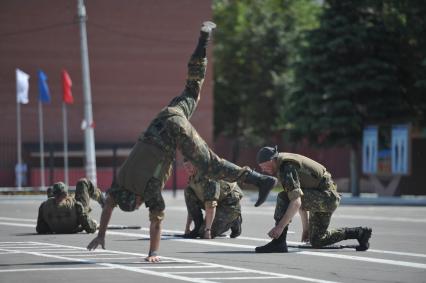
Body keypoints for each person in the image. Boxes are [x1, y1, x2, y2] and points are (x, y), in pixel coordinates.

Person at [86, 21, 277, 263]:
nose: (142, 203)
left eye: (138, 204)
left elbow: (156, 224)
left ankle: (259, 180)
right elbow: (107, 206)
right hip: (165, 116)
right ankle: (203, 41)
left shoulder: (147, 191)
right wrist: (101, 234)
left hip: (173, 131)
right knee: (192, 87)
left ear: (134, 199)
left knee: (210, 165)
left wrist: (153, 253)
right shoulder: (120, 181)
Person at [254, 146, 372, 253]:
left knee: (283, 197)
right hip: (324, 196)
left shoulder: (286, 167)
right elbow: (299, 199)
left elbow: (296, 202)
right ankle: (359, 233)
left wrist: (279, 227)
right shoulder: (282, 162)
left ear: (271, 161)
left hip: (326, 197)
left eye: (264, 167)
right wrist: (306, 229)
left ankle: (278, 243)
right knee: (317, 240)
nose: (264, 171)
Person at [183, 159, 243, 239]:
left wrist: (208, 230)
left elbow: (211, 205)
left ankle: (235, 220)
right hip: (217, 202)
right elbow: (191, 206)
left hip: (229, 203)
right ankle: (198, 226)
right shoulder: (193, 178)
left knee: (202, 233)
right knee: (188, 192)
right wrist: (187, 228)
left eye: (190, 166)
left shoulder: (208, 178)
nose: (188, 169)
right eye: (186, 166)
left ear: (196, 165)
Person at [36, 179, 105, 234]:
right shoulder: (76, 205)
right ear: (66, 194)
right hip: (74, 224)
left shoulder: (44, 206)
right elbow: (89, 228)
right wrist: (94, 224)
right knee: (83, 183)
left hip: (56, 225)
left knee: (50, 189)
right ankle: (103, 201)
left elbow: (40, 228)